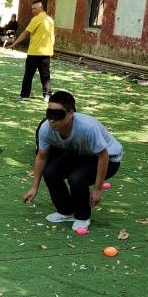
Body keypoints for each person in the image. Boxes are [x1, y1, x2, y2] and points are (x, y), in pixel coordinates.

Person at [22, 91, 123, 231]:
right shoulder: (46, 128)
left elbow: (103, 156)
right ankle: (65, 211)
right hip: (81, 154)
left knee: (76, 179)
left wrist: (97, 189)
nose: (52, 120)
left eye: (58, 115)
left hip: (109, 159)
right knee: (51, 172)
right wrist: (34, 187)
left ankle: (82, 217)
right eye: (49, 113)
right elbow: (41, 156)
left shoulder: (87, 128)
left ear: (70, 114)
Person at [8, 1, 55, 101]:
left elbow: (25, 32)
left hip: (34, 52)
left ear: (41, 8)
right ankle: (47, 95)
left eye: (35, 8)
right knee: (45, 75)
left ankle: (25, 95)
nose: (33, 11)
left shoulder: (36, 19)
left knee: (28, 74)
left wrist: (14, 43)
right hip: (46, 52)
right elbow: (52, 36)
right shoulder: (50, 20)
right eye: (32, 9)